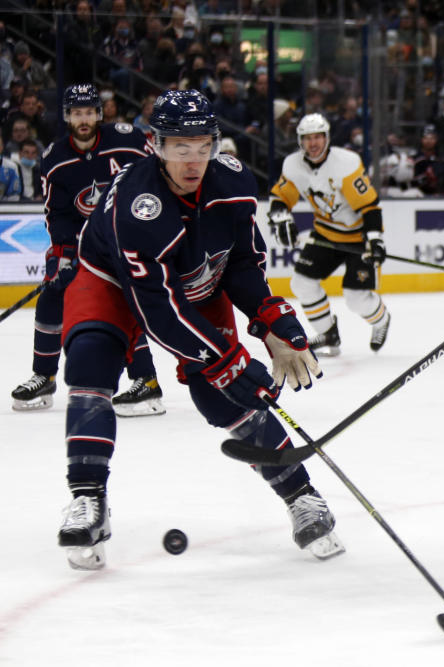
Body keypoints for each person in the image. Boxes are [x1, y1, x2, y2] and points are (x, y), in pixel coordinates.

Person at [55, 89, 340, 570]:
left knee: (224, 397)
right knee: (90, 359)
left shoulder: (232, 180)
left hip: (192, 282)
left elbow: (243, 265)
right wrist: (228, 361)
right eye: (180, 147)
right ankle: (89, 498)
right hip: (110, 280)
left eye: (204, 145)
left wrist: (272, 318)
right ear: (155, 145)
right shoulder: (137, 204)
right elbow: (158, 314)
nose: (194, 159)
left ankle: (300, 495)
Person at [11, 84, 165, 417]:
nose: (84, 120)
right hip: (88, 244)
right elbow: (58, 212)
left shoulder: (128, 140)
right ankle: (45, 375)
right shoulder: (55, 158)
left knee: (124, 301)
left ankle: (146, 380)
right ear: (67, 116)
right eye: (77, 113)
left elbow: (161, 173)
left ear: (99, 113)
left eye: (89, 112)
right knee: (52, 296)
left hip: (131, 237)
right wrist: (62, 253)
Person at [266, 112, 391, 356]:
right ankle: (329, 335)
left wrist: (375, 238)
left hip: (357, 237)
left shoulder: (346, 163)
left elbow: (369, 206)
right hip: (325, 234)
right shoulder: (293, 165)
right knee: (302, 284)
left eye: (318, 137)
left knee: (355, 297)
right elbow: (281, 197)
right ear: (300, 141)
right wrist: (280, 217)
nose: (313, 143)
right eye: (307, 138)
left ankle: (381, 320)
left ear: (327, 138)